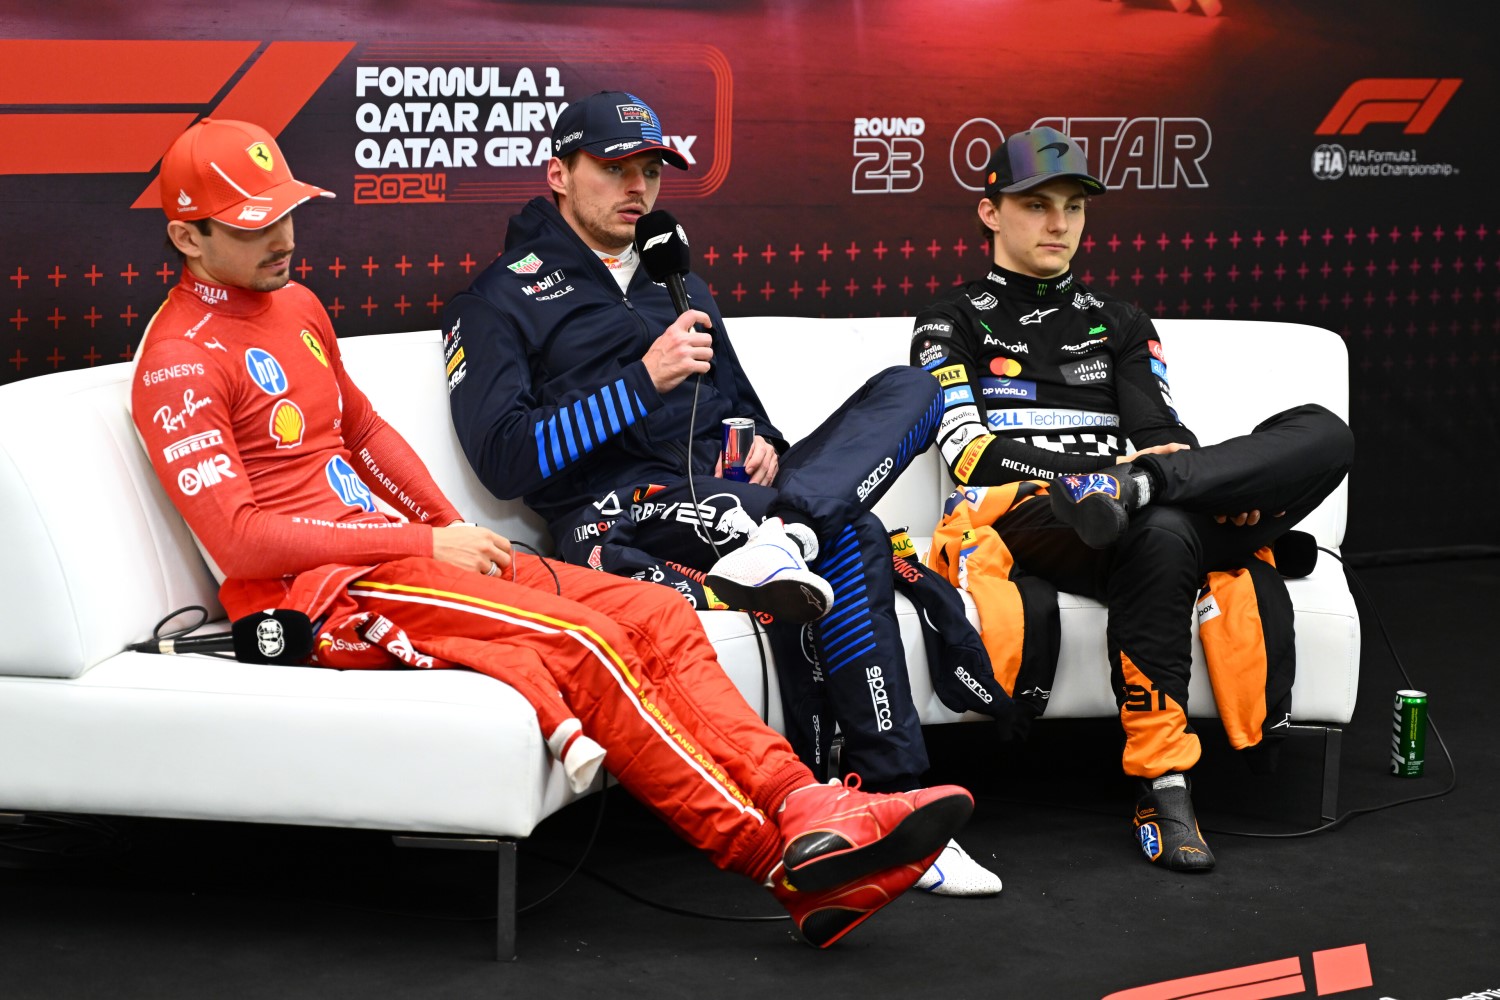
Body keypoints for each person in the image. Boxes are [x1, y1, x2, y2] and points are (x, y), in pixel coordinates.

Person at [129, 117, 977, 949]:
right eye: (253, 224)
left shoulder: (296, 302)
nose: (282, 236)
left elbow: (366, 434)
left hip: (411, 554)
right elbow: (241, 542)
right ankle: (775, 860)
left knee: (661, 618)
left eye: (285, 211)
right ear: (186, 237)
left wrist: (450, 529)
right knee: (595, 642)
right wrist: (424, 547)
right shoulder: (177, 360)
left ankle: (807, 802)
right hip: (332, 592)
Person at [444, 91, 1002, 897]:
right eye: (613, 169)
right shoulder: (495, 297)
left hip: (737, 496)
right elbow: (505, 462)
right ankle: (883, 796)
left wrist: (769, 445)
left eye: (648, 170)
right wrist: (641, 382)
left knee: (912, 391)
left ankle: (793, 534)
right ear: (558, 174)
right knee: (857, 538)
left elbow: (745, 407)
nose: (636, 187)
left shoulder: (680, 281)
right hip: (617, 512)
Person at [909, 126, 1355, 872]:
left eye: (1074, 208)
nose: (1060, 225)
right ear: (990, 213)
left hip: (1143, 509)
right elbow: (972, 454)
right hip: (1036, 517)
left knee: (1322, 435)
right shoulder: (947, 321)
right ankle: (1164, 784)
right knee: (1166, 521)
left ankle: (1165, 777)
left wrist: (1168, 477)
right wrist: (1098, 481)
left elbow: (1160, 433)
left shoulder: (1119, 320)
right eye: (1037, 205)